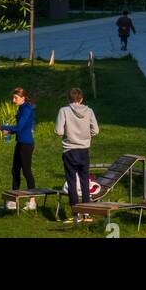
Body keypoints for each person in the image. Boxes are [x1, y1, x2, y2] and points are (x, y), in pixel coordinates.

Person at [55, 87, 100, 225]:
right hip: (84, 150)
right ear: (81, 99)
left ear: (68, 99)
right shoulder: (89, 111)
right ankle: (87, 212)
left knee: (72, 182)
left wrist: (69, 134)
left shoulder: (64, 111)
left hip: (70, 150)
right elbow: (96, 131)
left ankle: (76, 214)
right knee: (85, 181)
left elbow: (58, 131)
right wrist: (86, 136)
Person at [0, 87, 36, 211]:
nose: (13, 100)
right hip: (20, 142)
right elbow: (22, 127)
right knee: (15, 170)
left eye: (15, 97)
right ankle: (13, 201)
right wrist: (9, 132)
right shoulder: (22, 108)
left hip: (26, 144)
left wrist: (0, 126)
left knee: (26, 171)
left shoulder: (26, 108)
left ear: (23, 97)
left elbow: (20, 127)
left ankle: (32, 201)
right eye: (13, 97)